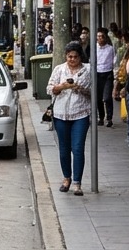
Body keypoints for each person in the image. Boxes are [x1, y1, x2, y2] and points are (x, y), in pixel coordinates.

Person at [47, 42, 93, 196]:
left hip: (81, 113)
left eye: (75, 57)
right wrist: (62, 87)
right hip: (61, 114)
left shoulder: (88, 70)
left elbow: (93, 92)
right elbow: (50, 88)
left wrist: (79, 87)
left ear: (80, 57)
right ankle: (66, 177)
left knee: (78, 148)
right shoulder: (59, 69)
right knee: (64, 148)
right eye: (69, 57)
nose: (72, 59)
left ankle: (77, 183)